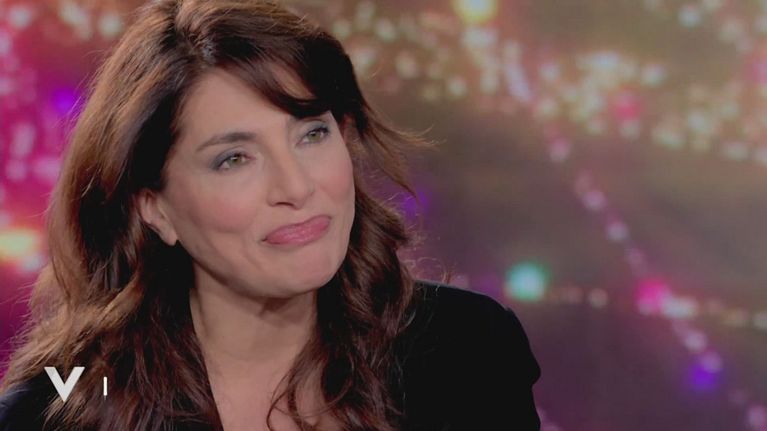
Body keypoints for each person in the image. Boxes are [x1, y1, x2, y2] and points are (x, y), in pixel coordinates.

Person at [0, 0, 541, 430]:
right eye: (234, 159)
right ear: (154, 208)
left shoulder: (468, 349)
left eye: (312, 134)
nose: (296, 187)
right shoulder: (64, 408)